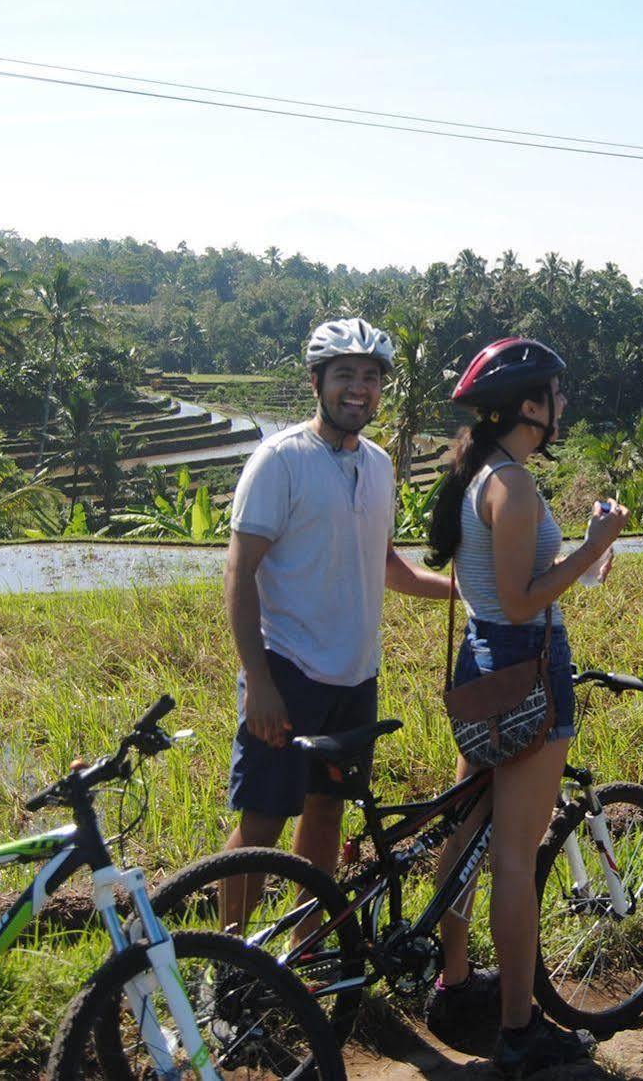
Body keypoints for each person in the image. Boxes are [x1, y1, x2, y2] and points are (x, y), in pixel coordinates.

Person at [419, 338, 628, 1076]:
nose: (562, 405)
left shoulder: (482, 473)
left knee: (470, 828)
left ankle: (451, 982)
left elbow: (509, 588)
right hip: (525, 667)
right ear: (529, 406)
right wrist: (596, 539)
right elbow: (520, 601)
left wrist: (585, 561)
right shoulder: (513, 486)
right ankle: (517, 1025)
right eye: (555, 394)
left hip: (483, 663)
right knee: (513, 853)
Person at [219, 317, 452, 891]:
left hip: (355, 679)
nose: (359, 388)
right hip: (288, 671)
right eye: (344, 374)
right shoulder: (281, 460)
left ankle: (308, 951)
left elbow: (386, 564)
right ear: (317, 381)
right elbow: (239, 572)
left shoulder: (377, 464)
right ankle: (225, 971)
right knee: (264, 823)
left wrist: (463, 591)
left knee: (328, 810)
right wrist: (260, 681)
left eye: (370, 377)